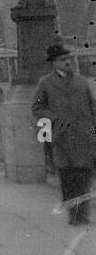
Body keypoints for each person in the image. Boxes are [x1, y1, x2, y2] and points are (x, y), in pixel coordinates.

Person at [32, 44, 96, 225]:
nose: (68, 62)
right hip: (62, 138)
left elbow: (93, 108)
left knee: (84, 176)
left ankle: (82, 214)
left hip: (84, 137)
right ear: (54, 63)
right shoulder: (45, 83)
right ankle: (74, 214)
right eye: (62, 60)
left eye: (69, 59)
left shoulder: (82, 82)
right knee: (68, 178)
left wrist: (94, 133)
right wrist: (54, 119)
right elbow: (37, 107)